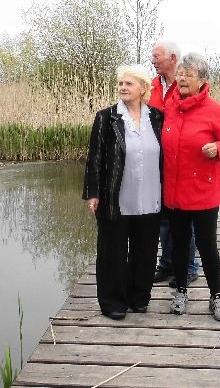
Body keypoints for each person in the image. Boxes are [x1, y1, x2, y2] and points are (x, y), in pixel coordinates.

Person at [163, 52, 220, 322]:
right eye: (180, 73)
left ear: (202, 80)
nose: (182, 78)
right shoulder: (170, 106)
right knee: (179, 245)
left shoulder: (213, 109)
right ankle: (181, 292)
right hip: (175, 192)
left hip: (204, 193)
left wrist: (217, 148)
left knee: (207, 246)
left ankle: (216, 295)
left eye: (189, 74)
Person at [83, 65, 164, 320]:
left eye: (129, 84)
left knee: (146, 251)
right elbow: (95, 158)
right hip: (115, 196)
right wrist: (93, 193)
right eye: (120, 83)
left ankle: (139, 297)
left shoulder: (157, 117)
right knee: (112, 252)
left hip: (150, 194)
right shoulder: (106, 117)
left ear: (143, 88)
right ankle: (113, 302)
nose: (123, 88)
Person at [148, 40, 200, 287]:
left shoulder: (185, 85)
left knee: (184, 216)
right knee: (163, 216)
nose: (153, 61)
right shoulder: (152, 86)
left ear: (172, 58)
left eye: (157, 56)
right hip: (157, 160)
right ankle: (167, 264)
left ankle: (189, 267)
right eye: (152, 57)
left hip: (181, 160)